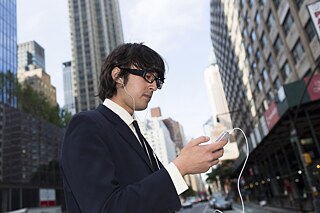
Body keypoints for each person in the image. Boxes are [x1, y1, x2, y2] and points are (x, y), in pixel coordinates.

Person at [61, 42, 228, 213]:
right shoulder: (87, 125)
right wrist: (180, 167)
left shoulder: (135, 133)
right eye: (148, 76)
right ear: (118, 76)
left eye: (157, 80)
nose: (154, 86)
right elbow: (106, 208)